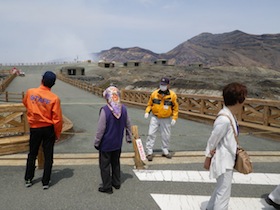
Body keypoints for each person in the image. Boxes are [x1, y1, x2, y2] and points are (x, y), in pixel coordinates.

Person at [205, 82, 247, 210]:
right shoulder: (224, 119)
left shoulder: (229, 115)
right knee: (223, 193)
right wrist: (207, 157)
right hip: (224, 160)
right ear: (238, 100)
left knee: (221, 188)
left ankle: (209, 207)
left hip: (226, 157)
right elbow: (213, 139)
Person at [23, 71, 63, 190]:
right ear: (53, 84)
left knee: (32, 153)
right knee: (48, 155)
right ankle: (46, 181)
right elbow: (57, 119)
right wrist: (57, 133)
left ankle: (28, 178)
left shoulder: (31, 92)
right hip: (48, 128)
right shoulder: (54, 98)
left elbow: (25, 103)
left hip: (35, 127)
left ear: (42, 80)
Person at [94, 86, 132, 194]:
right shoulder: (123, 109)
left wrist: (97, 142)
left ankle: (107, 187)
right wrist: (128, 137)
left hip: (106, 144)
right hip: (117, 143)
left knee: (105, 165)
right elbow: (128, 124)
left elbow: (100, 129)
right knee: (115, 163)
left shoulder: (105, 110)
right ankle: (116, 182)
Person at [144, 77, 179, 161]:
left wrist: (174, 118)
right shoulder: (154, 94)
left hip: (166, 118)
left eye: (164, 85)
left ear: (168, 85)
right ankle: (149, 152)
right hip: (155, 117)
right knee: (151, 134)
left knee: (166, 135)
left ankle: (165, 150)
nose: (162, 86)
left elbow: (175, 108)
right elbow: (150, 104)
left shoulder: (172, 95)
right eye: (161, 84)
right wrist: (147, 112)